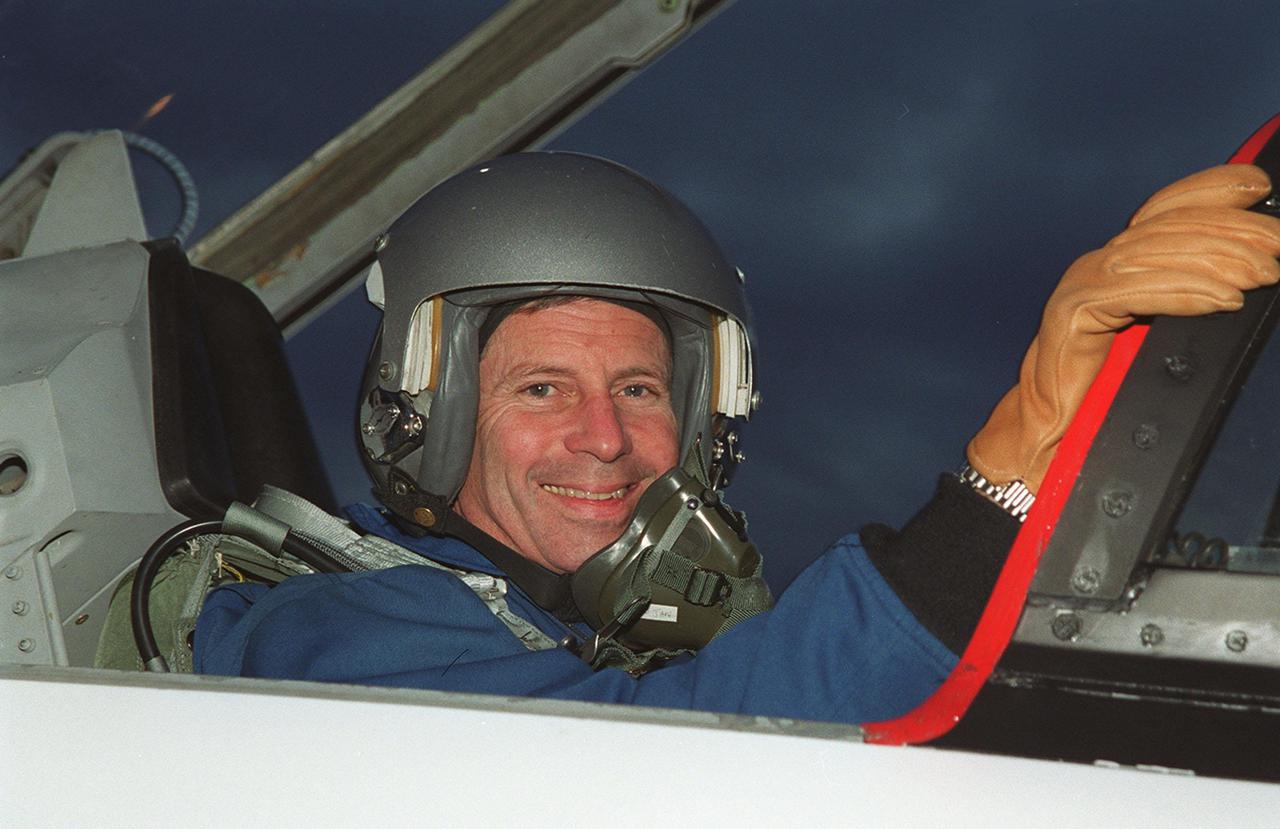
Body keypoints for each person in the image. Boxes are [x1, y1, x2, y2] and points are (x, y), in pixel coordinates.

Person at [194, 153, 1280, 724]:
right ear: (426, 418)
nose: (605, 439)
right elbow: (636, 768)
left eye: (637, 387)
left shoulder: (601, 640)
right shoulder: (319, 639)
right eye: (539, 388)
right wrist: (1013, 462)